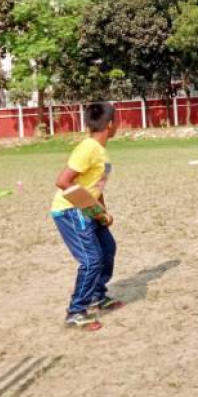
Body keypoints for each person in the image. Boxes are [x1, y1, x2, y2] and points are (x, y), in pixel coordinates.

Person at [51, 102, 124, 331]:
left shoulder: (100, 150)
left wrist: (102, 213)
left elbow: (95, 187)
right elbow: (63, 181)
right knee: (91, 260)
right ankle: (76, 312)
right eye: (117, 121)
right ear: (110, 124)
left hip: (89, 209)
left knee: (108, 249)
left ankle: (96, 295)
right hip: (71, 210)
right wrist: (89, 209)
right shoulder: (88, 148)